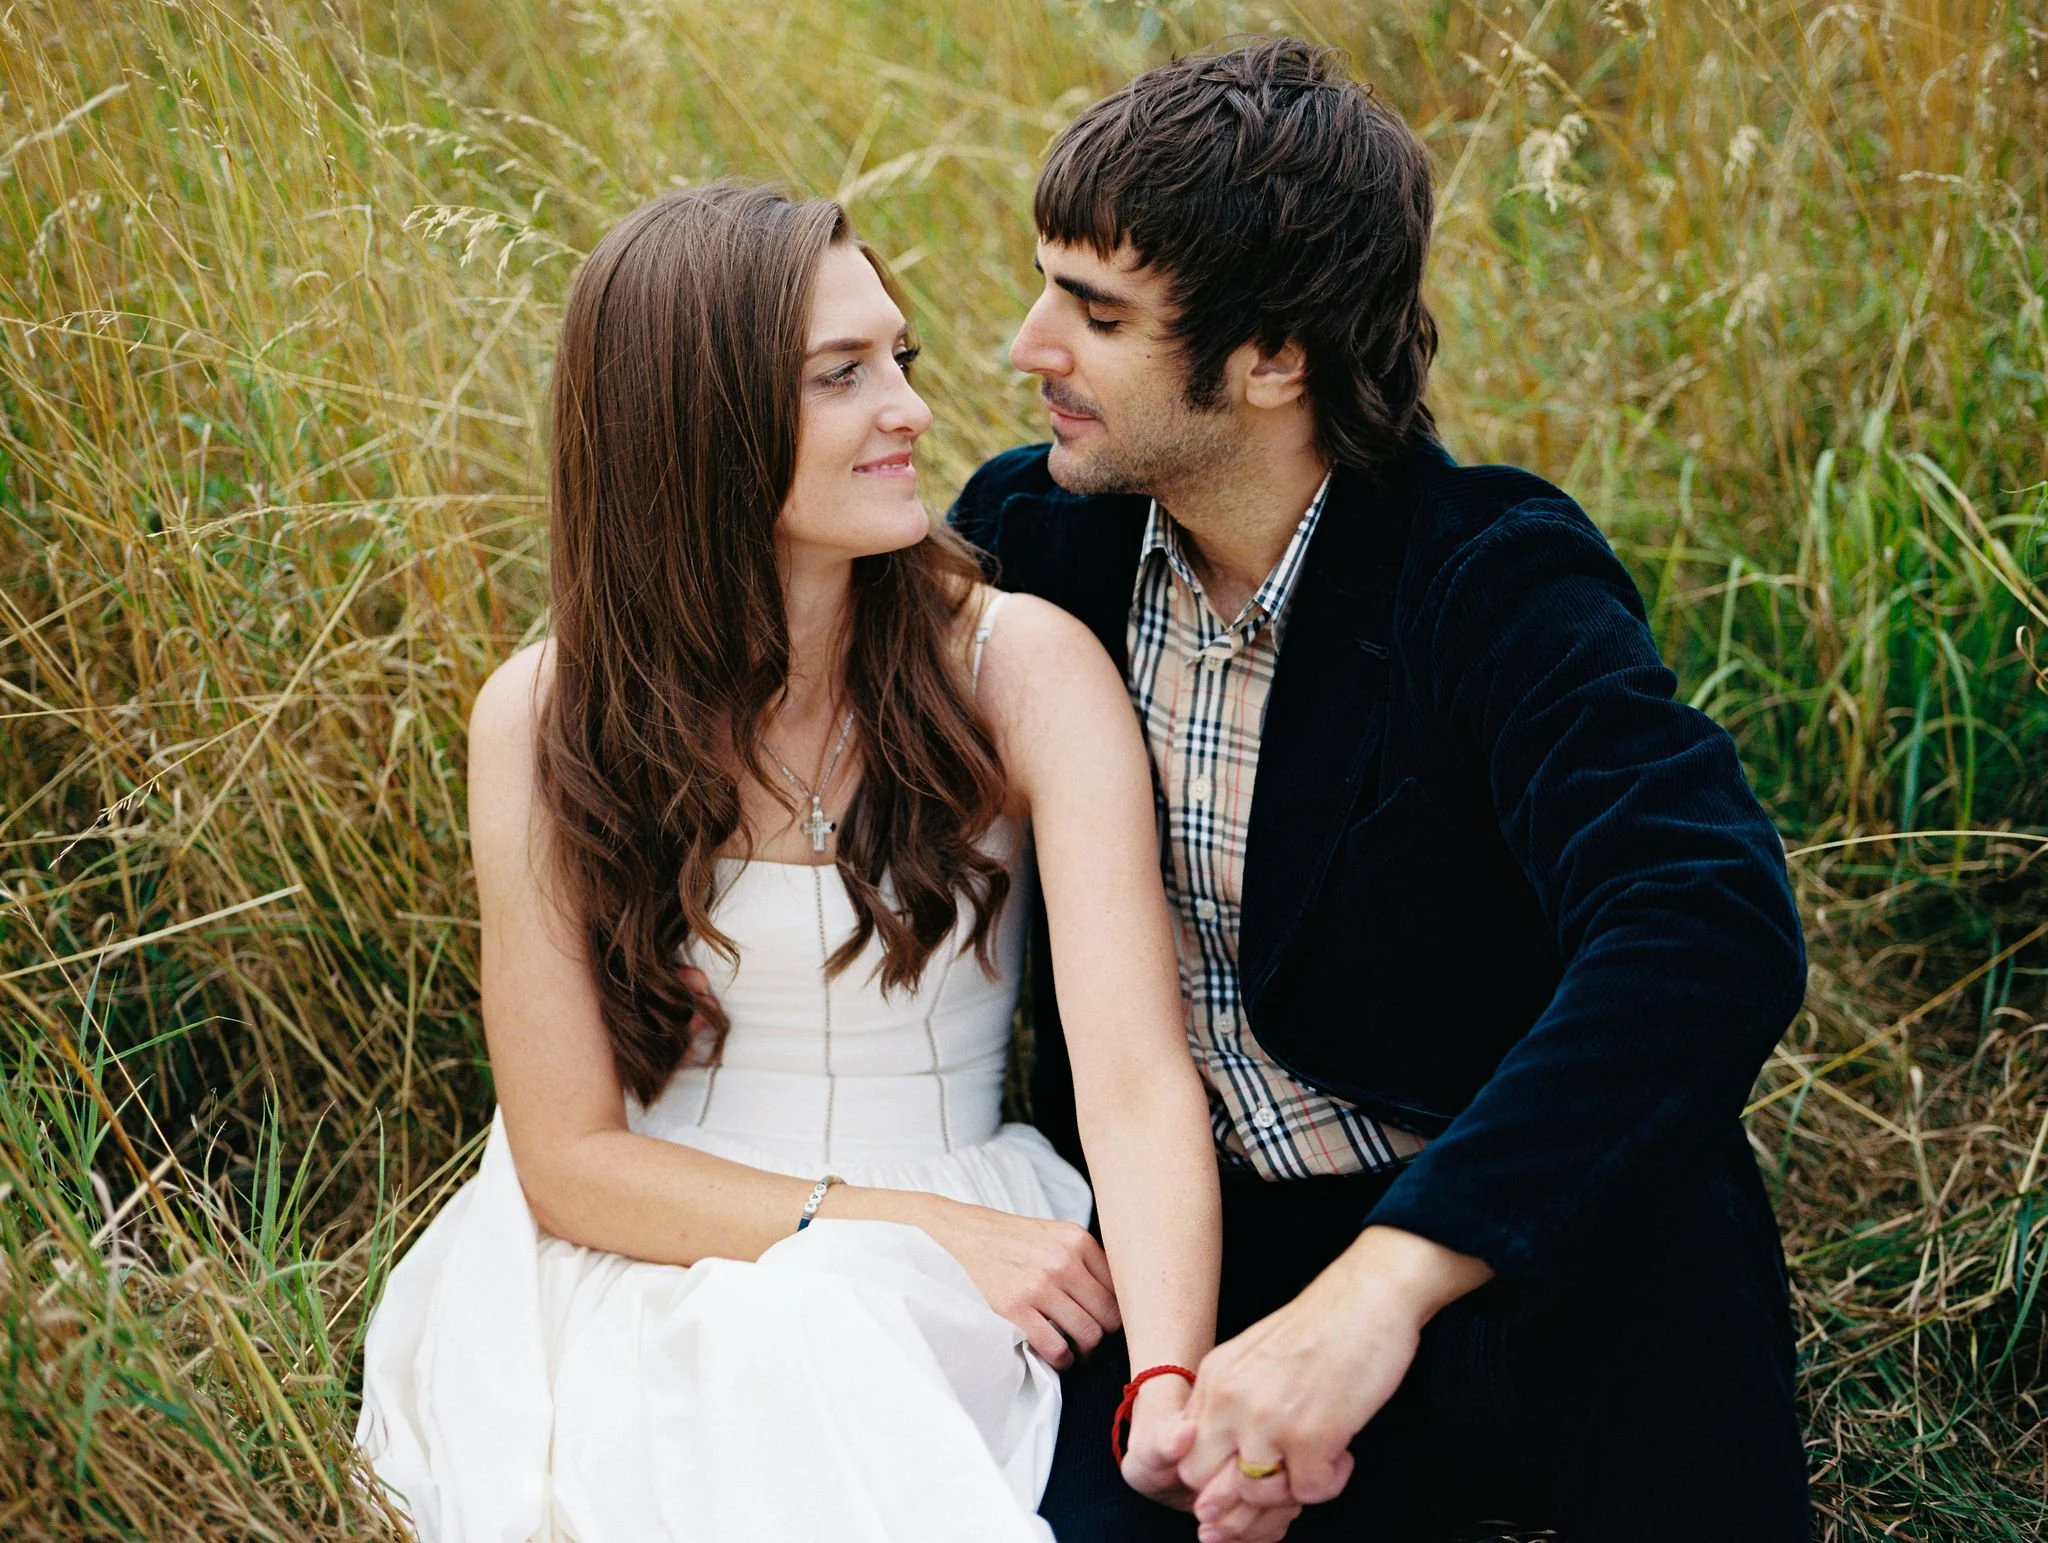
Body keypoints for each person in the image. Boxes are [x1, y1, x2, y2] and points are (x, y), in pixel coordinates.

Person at [950, 39, 1811, 1543]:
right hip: (1180, 1248)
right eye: (1046, 287)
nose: (1031, 346)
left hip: (1483, 1247)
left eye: (1095, 314)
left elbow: (1707, 918)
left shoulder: (1490, 575)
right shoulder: (1033, 541)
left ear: (1274, 356)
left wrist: (1388, 1281)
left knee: (1671, 1213)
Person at [354, 182, 1221, 1543]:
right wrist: (902, 1229)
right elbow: (571, 1155)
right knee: (762, 1356)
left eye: (900, 359)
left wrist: (1169, 1378)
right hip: (648, 1242)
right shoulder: (541, 713)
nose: (912, 409)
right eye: (842, 375)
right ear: (700, 426)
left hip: (976, 1227)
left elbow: (1134, 1079)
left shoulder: (1022, 669)